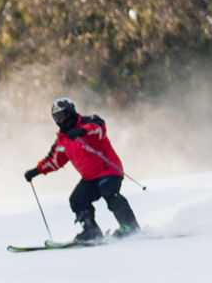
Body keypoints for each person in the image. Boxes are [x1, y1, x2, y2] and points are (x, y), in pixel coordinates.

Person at [24, 98, 140, 242]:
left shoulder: (88, 121)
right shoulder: (63, 139)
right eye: (57, 117)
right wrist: (36, 171)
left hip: (108, 171)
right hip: (90, 178)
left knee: (110, 193)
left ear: (70, 112)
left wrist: (82, 131)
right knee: (77, 199)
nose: (61, 120)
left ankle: (130, 226)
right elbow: (54, 160)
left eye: (62, 115)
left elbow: (99, 128)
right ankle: (91, 230)